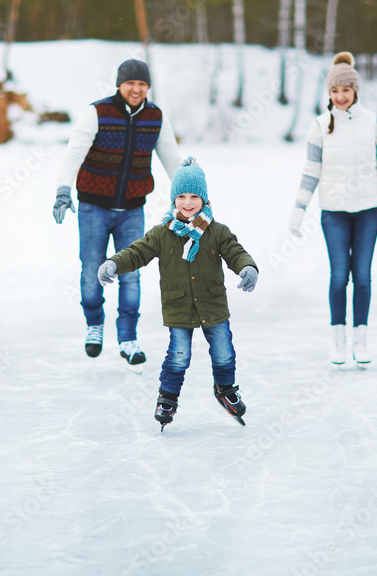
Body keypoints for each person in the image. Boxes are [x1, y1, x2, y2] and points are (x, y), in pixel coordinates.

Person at [97, 157, 258, 430]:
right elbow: (137, 252)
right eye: (181, 196)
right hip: (178, 307)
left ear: (205, 200)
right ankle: (168, 397)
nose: (187, 202)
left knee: (223, 353)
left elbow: (235, 252)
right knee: (179, 355)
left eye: (194, 196)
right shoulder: (162, 233)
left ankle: (225, 389)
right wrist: (114, 263)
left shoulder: (217, 231)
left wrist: (247, 267)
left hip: (213, 304)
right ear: (173, 200)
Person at [53, 59, 181, 369]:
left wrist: (192, 198)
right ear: (119, 85)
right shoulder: (97, 113)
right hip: (93, 207)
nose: (136, 89)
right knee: (92, 271)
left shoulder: (155, 118)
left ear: (147, 88)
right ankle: (94, 323)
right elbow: (74, 153)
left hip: (132, 210)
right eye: (130, 83)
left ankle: (127, 338)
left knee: (131, 274)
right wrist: (62, 190)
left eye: (142, 84)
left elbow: (173, 161)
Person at [288, 51, 377, 369]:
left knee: (362, 276)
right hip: (334, 213)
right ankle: (337, 341)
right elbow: (310, 172)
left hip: (368, 211)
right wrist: (299, 208)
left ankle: (360, 339)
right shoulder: (320, 127)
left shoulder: (374, 124)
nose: (340, 96)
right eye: (335, 91)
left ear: (356, 91)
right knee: (339, 276)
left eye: (346, 90)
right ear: (329, 93)